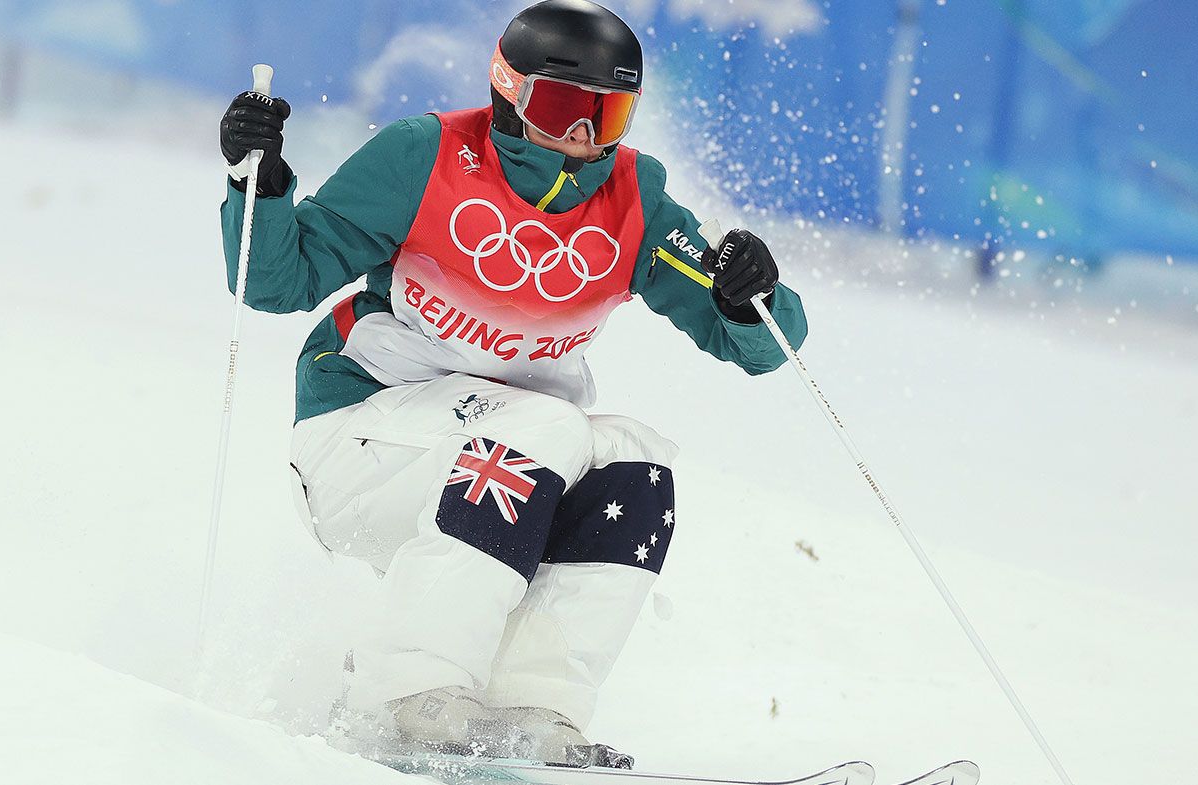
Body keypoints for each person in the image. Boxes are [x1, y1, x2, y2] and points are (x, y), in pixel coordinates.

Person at [219, 0, 808, 768]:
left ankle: (533, 708)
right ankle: (407, 693)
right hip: (358, 437)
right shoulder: (423, 156)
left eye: (609, 113)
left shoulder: (632, 198)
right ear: (509, 90)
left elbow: (763, 346)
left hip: (503, 474)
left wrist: (750, 293)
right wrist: (255, 184)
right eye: (564, 106)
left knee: (635, 459)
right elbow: (275, 281)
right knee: (548, 427)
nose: (583, 135)